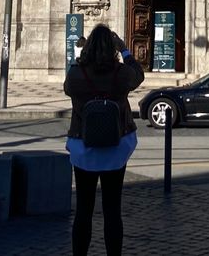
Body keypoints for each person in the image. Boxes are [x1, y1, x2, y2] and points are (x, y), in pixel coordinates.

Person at [64, 24, 144, 256]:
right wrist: (125, 50)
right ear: (113, 48)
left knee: (83, 211)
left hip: (84, 147)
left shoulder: (77, 74)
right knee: (112, 211)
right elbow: (138, 74)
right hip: (115, 147)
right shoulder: (121, 74)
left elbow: (67, 87)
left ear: (88, 47)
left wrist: (80, 55)